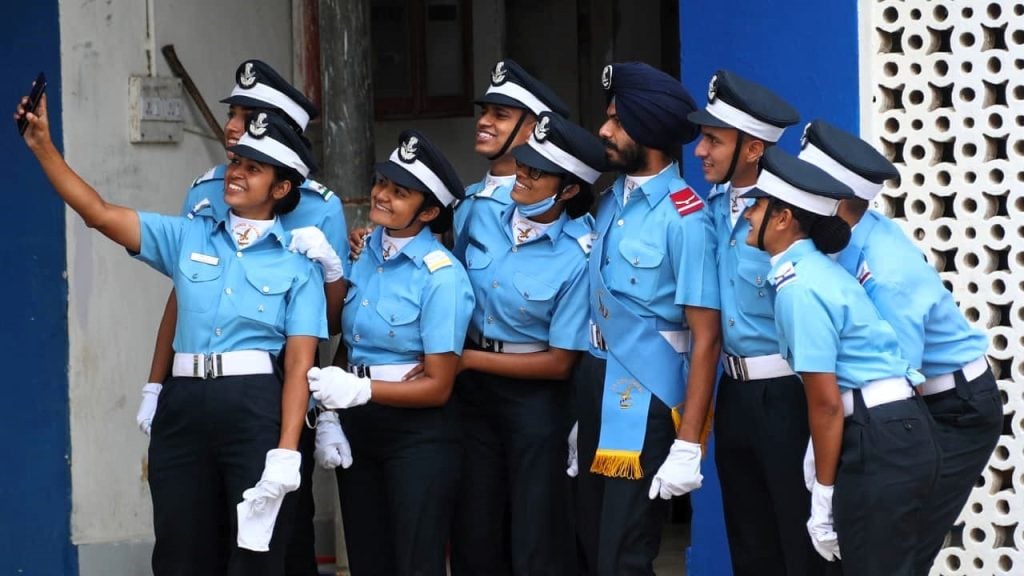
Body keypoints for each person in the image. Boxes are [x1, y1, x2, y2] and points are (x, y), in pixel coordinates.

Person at [18, 91, 327, 575]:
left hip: (254, 407)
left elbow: (298, 365)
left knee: (254, 555)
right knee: (181, 553)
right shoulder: (190, 235)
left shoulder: (298, 266)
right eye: (237, 161)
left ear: (282, 188)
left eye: (254, 168)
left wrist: (288, 449)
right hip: (183, 405)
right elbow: (99, 213)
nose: (236, 172)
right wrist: (42, 147)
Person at [133, 59, 349, 576]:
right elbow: (185, 294)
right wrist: (155, 384)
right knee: (192, 535)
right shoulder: (207, 189)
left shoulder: (320, 206)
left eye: (248, 114)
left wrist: (321, 419)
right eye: (233, 113)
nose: (233, 126)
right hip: (201, 385)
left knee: (276, 541)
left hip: (274, 384)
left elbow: (329, 317)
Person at [798, 119, 1002, 574]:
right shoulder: (841, 239)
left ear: (834, 202)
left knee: (894, 552)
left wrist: (822, 459)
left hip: (954, 409)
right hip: (908, 405)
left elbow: (893, 384)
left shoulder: (885, 271)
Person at [740, 146, 939, 576]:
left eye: (757, 205)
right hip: (890, 431)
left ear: (783, 218)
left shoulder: (801, 288)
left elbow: (825, 403)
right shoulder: (814, 273)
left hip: (879, 438)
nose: (748, 215)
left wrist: (823, 495)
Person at [572, 61, 721, 575]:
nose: (604, 131)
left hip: (648, 393)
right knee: (593, 546)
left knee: (625, 553)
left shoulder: (686, 218)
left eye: (617, 121)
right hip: (596, 382)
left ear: (651, 131)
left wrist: (689, 442)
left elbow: (706, 339)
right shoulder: (612, 201)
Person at [307, 131, 474, 576]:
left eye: (399, 193)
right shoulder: (365, 254)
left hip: (418, 434)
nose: (381, 195)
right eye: (382, 183)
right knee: (367, 558)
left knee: (415, 561)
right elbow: (350, 340)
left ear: (430, 211)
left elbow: (438, 386)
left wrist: (359, 389)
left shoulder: (442, 277)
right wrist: (329, 415)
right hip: (358, 422)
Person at [449, 112, 604, 575]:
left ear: (569, 189)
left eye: (537, 171)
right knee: (475, 528)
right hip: (472, 393)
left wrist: (467, 360)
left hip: (535, 400)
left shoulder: (580, 253)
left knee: (535, 533)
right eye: (524, 163)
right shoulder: (479, 213)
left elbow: (559, 363)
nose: (523, 174)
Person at [688, 70, 824, 575]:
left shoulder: (790, 214)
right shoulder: (711, 210)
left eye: (714, 140)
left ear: (751, 150)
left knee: (801, 542)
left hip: (790, 393)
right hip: (736, 395)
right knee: (749, 543)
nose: (701, 151)